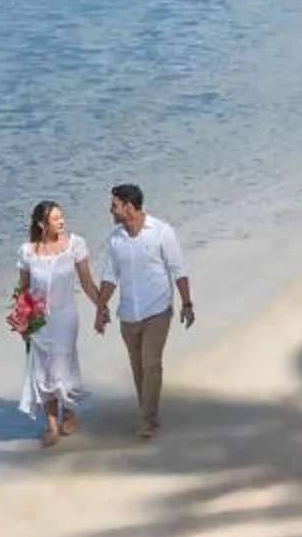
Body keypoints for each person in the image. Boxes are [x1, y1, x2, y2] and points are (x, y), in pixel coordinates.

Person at [94, 181, 193, 440]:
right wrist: (101, 307)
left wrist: (187, 303)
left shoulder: (162, 232)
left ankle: (148, 421)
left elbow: (178, 269)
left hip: (158, 309)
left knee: (151, 364)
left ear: (128, 207)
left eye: (114, 205)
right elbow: (110, 276)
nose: (110, 211)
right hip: (128, 314)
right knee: (138, 368)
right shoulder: (115, 239)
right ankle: (150, 414)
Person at [15, 201, 104, 448]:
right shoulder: (27, 252)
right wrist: (23, 322)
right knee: (42, 371)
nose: (62, 222)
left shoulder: (75, 244)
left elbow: (86, 281)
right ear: (42, 224)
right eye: (55, 219)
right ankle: (52, 424)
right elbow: (23, 290)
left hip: (66, 318)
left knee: (61, 368)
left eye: (61, 217)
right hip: (39, 321)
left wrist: (101, 305)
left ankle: (70, 411)